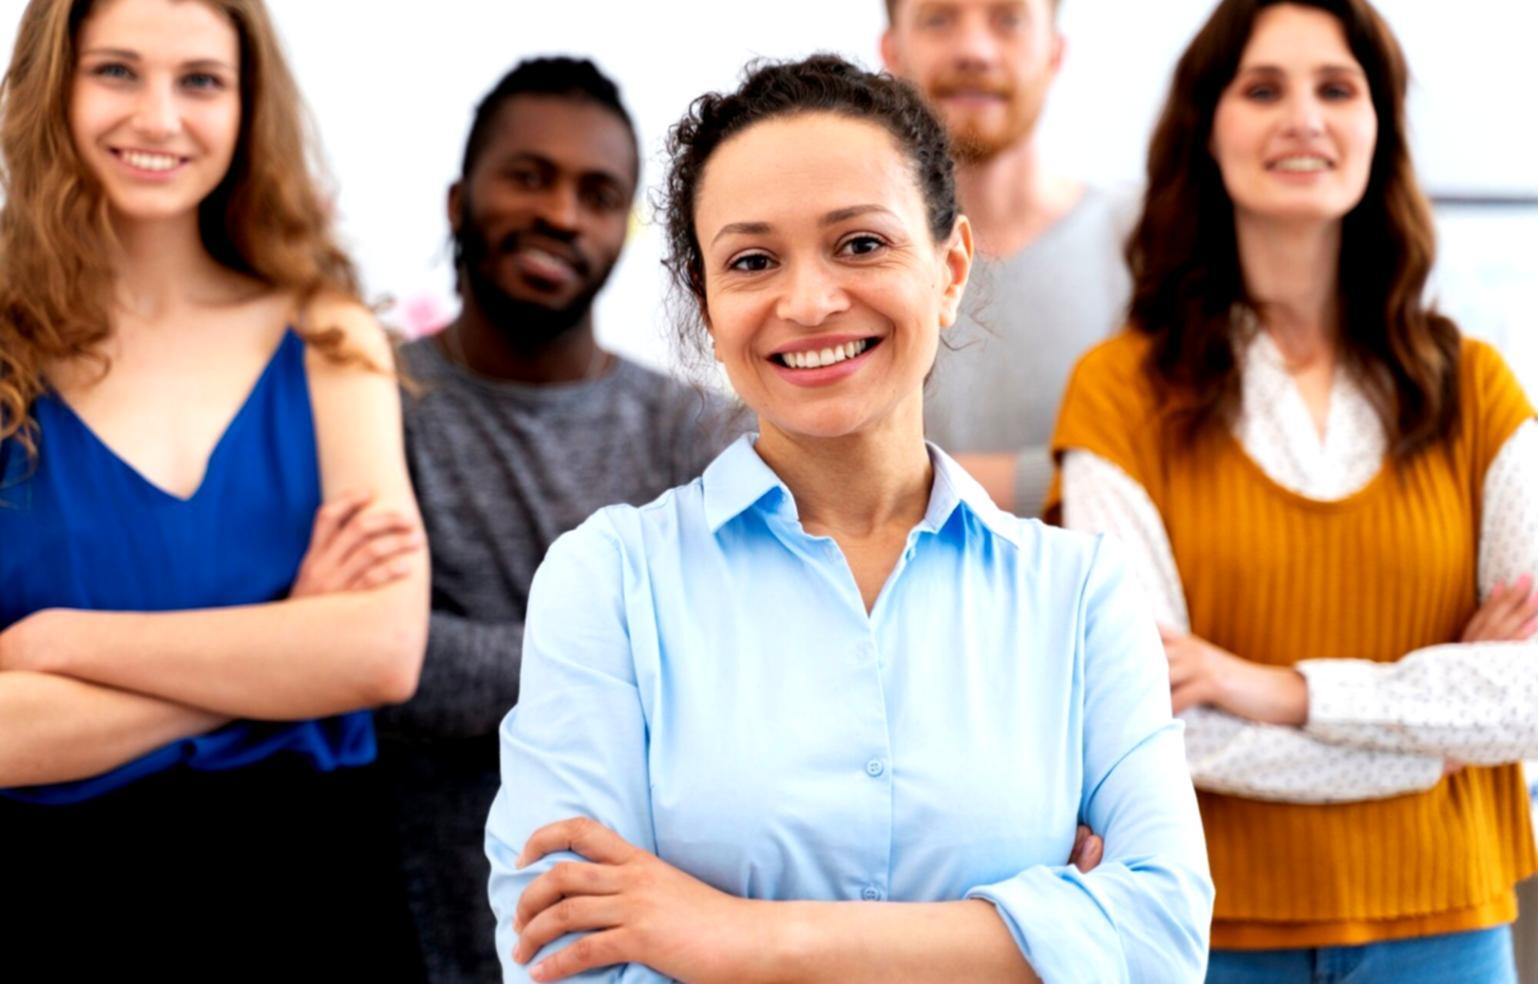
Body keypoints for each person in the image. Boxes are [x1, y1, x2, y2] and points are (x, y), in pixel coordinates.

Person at [484, 54, 1212, 984]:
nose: (809, 302)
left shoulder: (1080, 596)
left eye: (860, 244)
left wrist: (738, 936)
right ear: (708, 304)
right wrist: (1037, 937)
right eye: (752, 261)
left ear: (950, 268)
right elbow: (565, 956)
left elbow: (1161, 940)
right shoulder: (608, 584)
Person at [1048, 1, 1538, 980]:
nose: (1303, 118)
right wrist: (1432, 744)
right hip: (1199, 931)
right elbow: (1146, 720)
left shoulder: (1476, 388)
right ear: (1208, 129)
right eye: (1263, 89)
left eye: (1336, 89)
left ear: (1378, 128)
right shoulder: (1119, 394)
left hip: (1445, 930)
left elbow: (1524, 696)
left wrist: (1272, 687)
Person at [0, 0, 429, 977]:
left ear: (247, 105)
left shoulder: (329, 338)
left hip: (305, 899)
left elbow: (379, 653)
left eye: (200, 80)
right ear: (53, 85)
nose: (159, 117)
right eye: (116, 70)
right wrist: (282, 652)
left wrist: (59, 643)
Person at [367, 57, 739, 983]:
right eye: (529, 177)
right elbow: (374, 665)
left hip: (642, 947)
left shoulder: (697, 431)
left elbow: (739, 667)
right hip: (403, 918)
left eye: (598, 195)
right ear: (459, 201)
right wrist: (629, 655)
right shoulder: (371, 407)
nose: (562, 215)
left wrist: (445, 650)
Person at [880, 0, 1132, 515]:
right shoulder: (850, 263)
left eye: (1009, 19)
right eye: (938, 18)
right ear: (892, 53)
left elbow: (1175, 468)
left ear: (1054, 54)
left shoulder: (1145, 240)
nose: (974, 50)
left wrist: (901, 490)